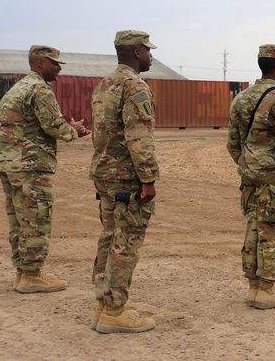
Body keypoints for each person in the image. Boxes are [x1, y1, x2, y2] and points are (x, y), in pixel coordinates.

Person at [0, 45, 91, 294]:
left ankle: (23, 272)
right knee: (37, 218)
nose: (59, 67)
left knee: (20, 221)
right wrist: (75, 131)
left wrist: (66, 126)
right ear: (40, 64)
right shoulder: (39, 89)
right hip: (31, 166)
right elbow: (55, 128)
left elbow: (34, 124)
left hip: (11, 164)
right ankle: (32, 276)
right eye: (54, 63)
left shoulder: (19, 87)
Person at [90, 30, 161, 333]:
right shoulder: (135, 86)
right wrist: (148, 179)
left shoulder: (104, 84)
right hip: (127, 178)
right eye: (147, 50)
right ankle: (115, 311)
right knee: (126, 242)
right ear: (135, 52)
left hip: (105, 173)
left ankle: (102, 304)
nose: (151, 55)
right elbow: (139, 136)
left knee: (109, 237)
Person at [227, 44, 275, 311]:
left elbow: (233, 143)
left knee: (252, 230)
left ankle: (252, 288)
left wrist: (248, 165)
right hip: (274, 181)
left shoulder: (241, 98)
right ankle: (267, 290)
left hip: (250, 178)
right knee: (269, 233)